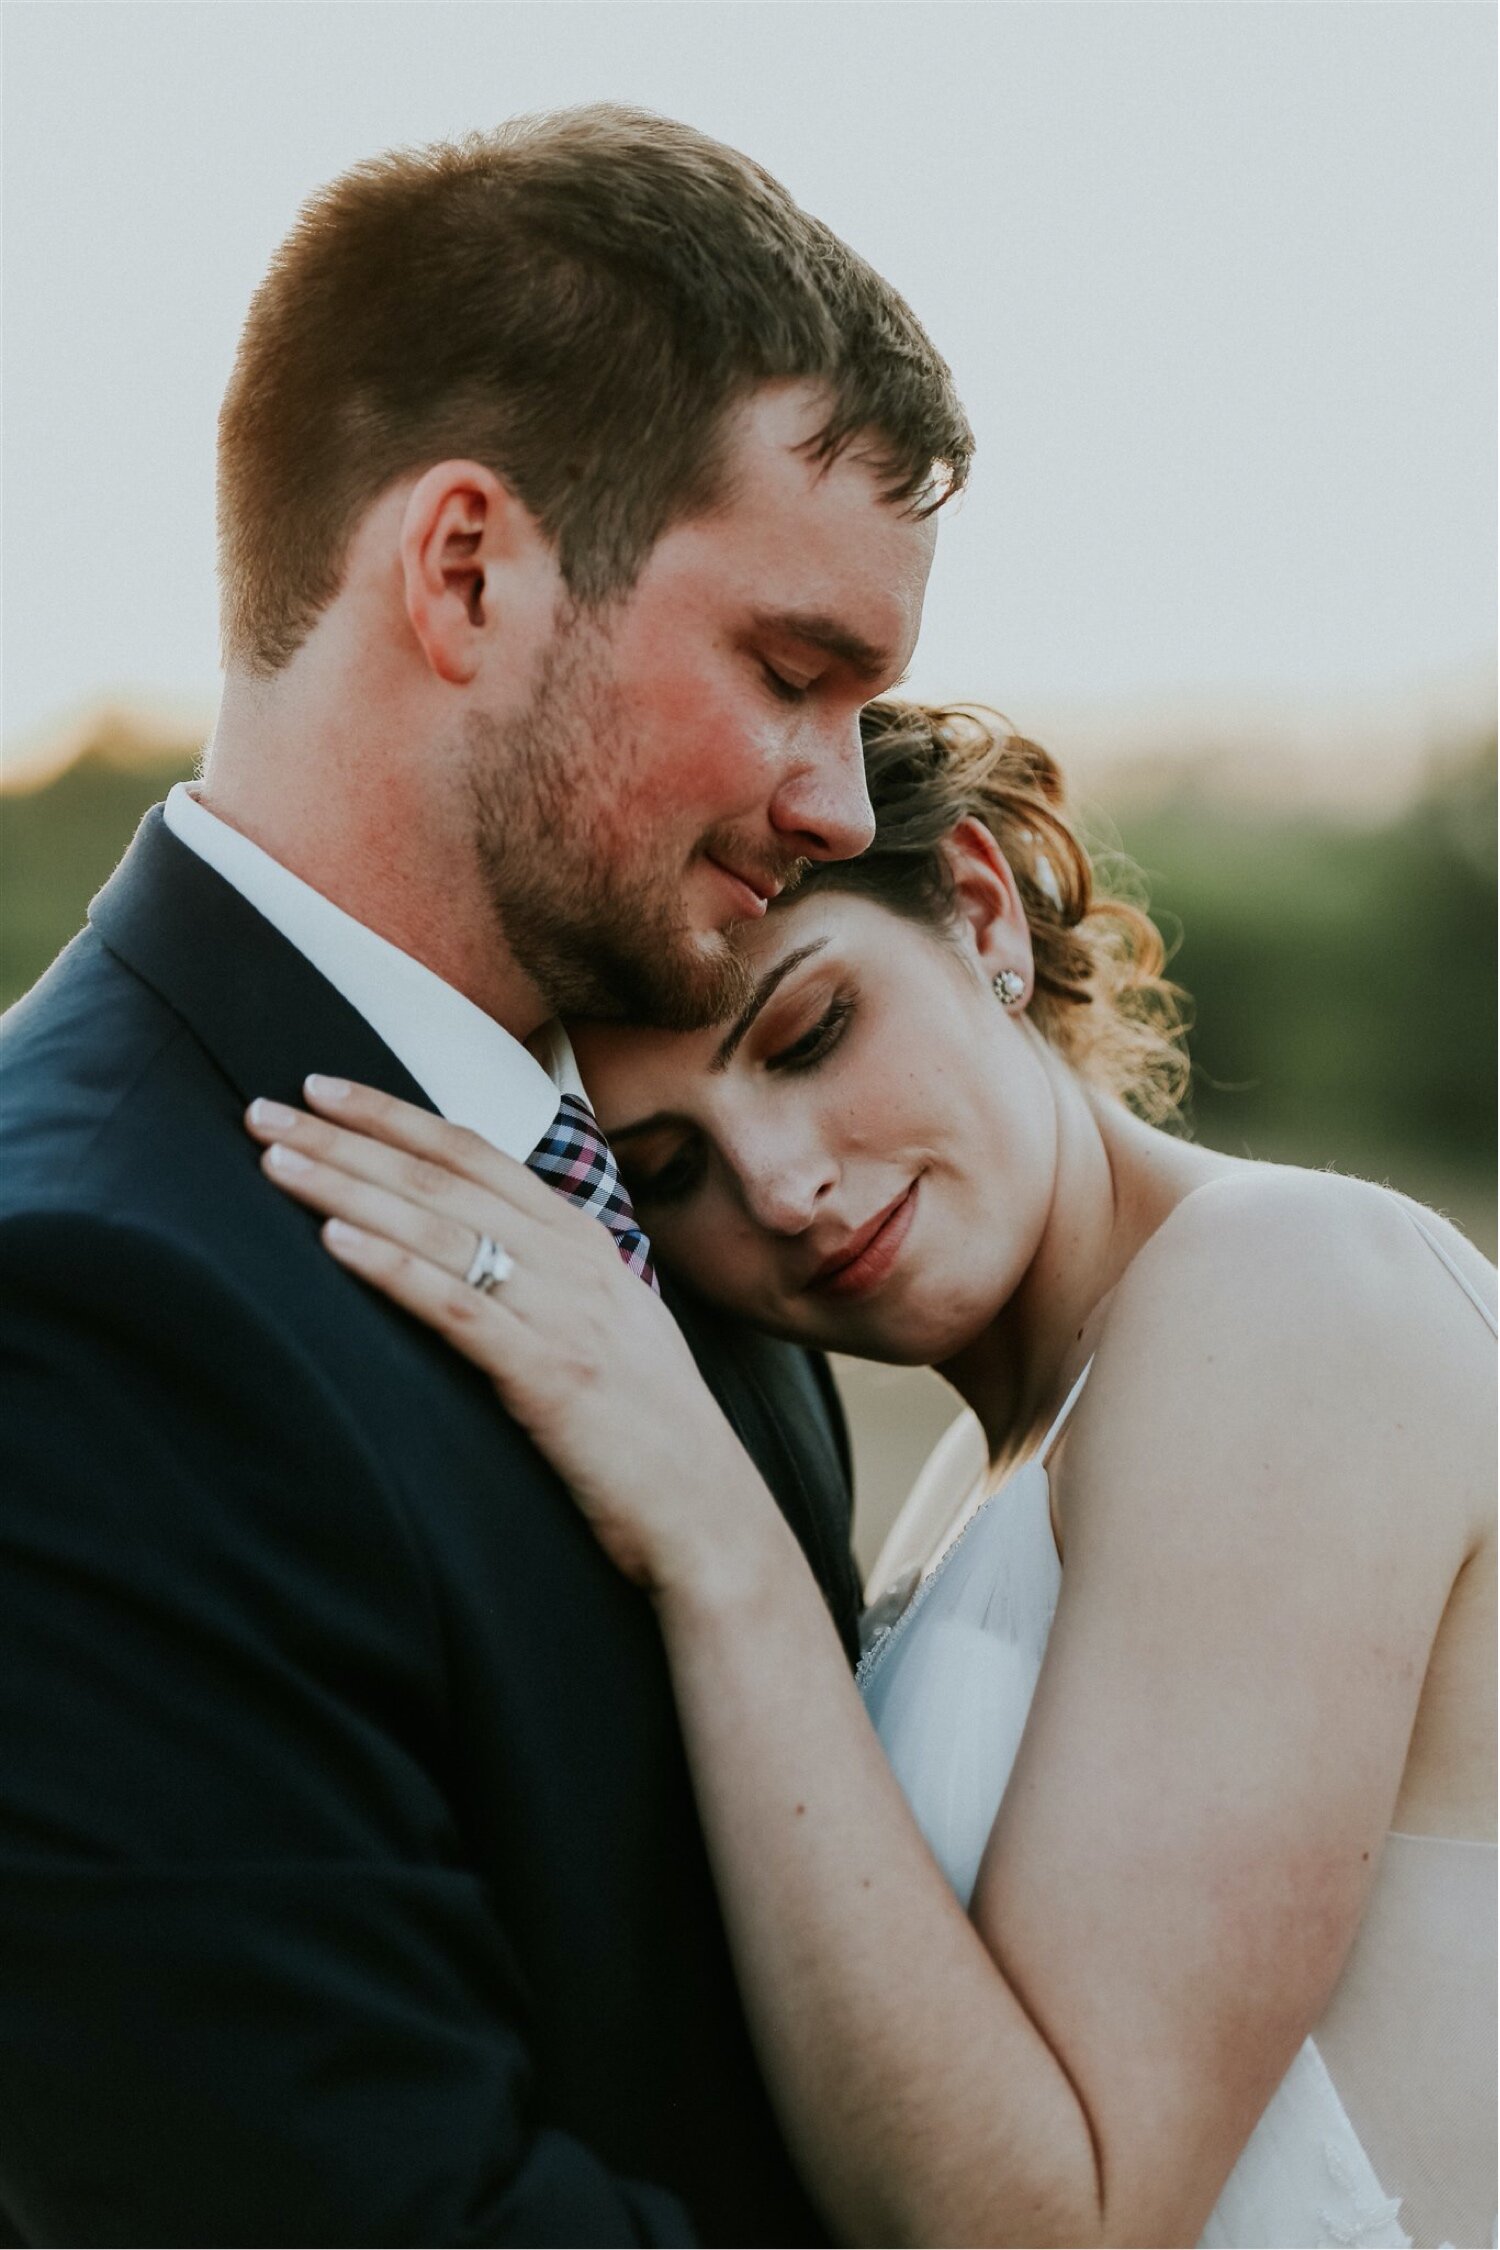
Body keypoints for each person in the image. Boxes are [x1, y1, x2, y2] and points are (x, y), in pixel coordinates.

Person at [0, 113, 972, 2244]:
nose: (835, 801)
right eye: (793, 675)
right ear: (464, 571)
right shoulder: (69, 1301)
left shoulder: (684, 1185)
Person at [252, 699, 1497, 2250]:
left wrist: (714, 1534)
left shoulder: (1294, 1289)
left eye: (810, 1032)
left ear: (982, 912)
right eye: (671, 1173)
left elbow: (1065, 2225)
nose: (781, 1185)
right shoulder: (972, 1485)